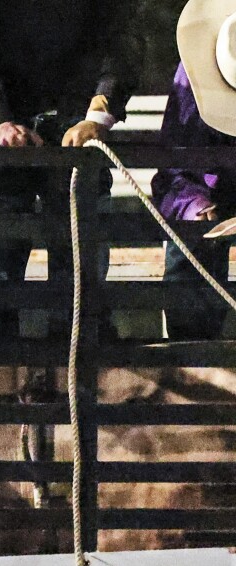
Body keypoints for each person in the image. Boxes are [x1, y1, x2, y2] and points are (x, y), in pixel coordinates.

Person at [0, 0, 140, 341]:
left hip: (74, 123)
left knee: (80, 286)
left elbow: (122, 37)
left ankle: (77, 380)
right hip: (4, 126)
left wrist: (97, 116)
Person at [151, 1, 236, 342]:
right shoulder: (192, 77)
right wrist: (194, 204)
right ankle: (191, 355)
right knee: (189, 253)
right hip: (206, 187)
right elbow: (175, 165)